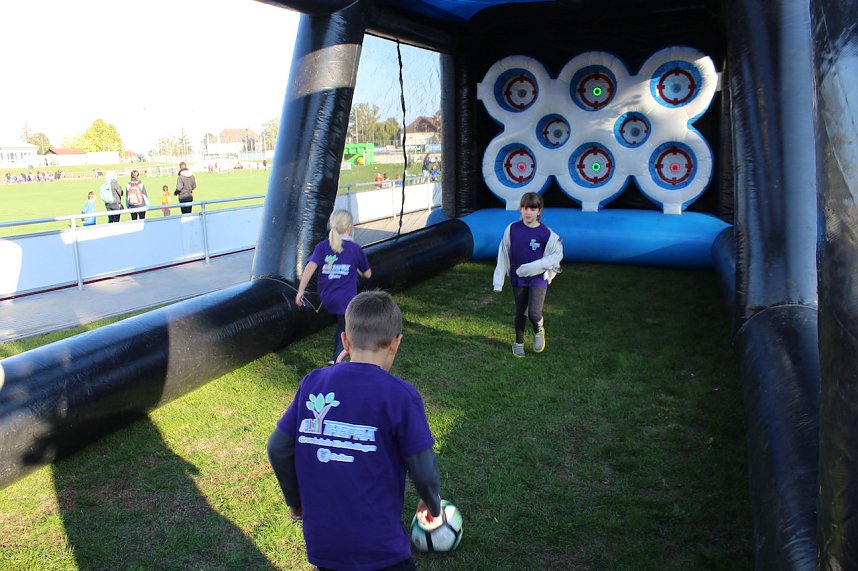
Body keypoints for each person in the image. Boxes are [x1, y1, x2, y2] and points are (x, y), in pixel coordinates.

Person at [267, 290, 442, 571]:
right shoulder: (401, 397)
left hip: (325, 546)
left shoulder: (313, 383)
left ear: (345, 341)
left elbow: (277, 447)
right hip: (380, 550)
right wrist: (433, 505)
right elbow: (423, 469)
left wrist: (295, 501)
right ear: (396, 343)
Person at [295, 209, 372, 364]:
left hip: (326, 296)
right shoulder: (354, 248)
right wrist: (356, 267)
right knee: (348, 324)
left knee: (344, 320)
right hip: (345, 298)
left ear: (331, 225)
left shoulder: (322, 246)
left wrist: (301, 291)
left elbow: (310, 267)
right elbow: (368, 274)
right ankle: (338, 358)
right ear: (350, 226)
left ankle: (340, 354)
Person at [492, 192, 563, 358]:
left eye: (532, 208)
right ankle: (518, 343)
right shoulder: (512, 229)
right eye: (525, 208)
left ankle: (539, 329)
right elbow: (503, 253)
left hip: (538, 278)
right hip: (518, 277)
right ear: (520, 209)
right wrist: (498, 280)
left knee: (533, 313)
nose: (528, 212)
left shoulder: (546, 233)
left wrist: (537, 267)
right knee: (521, 312)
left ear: (539, 211)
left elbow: (556, 255)